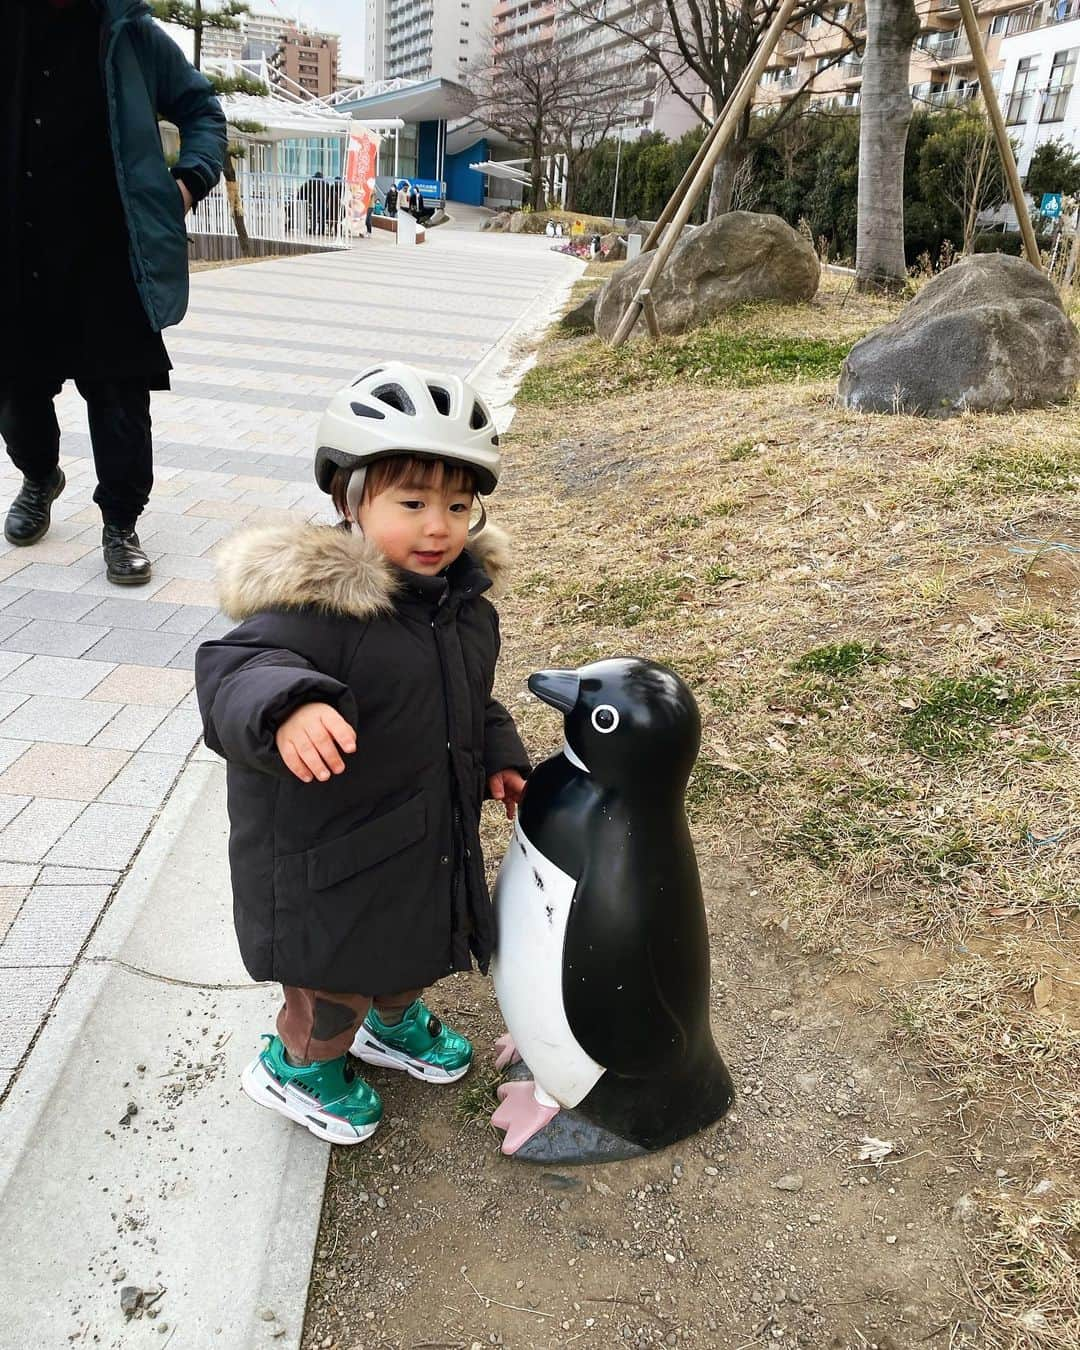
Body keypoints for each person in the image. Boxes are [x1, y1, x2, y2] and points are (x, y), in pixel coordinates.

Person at [194, 363, 530, 1145]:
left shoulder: (463, 612)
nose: (438, 527)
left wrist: (498, 752)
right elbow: (236, 671)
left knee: (408, 950)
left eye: (456, 505)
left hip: (420, 844)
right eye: (411, 504)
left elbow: (469, 699)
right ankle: (298, 1065)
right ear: (350, 500)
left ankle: (394, 1021)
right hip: (328, 865)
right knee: (332, 985)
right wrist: (288, 707)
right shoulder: (316, 609)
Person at [1, 0, 226, 585]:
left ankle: (120, 525)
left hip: (112, 253)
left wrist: (189, 181)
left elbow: (201, 108)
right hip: (18, 254)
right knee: (18, 398)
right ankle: (40, 475)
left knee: (121, 400)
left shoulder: (131, 33)